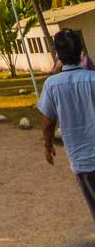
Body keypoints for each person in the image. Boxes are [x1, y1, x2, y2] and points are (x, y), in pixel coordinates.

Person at [37, 29, 95, 223]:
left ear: (57, 55)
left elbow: (47, 123)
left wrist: (48, 146)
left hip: (83, 162)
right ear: (81, 53)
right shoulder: (93, 79)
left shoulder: (52, 85)